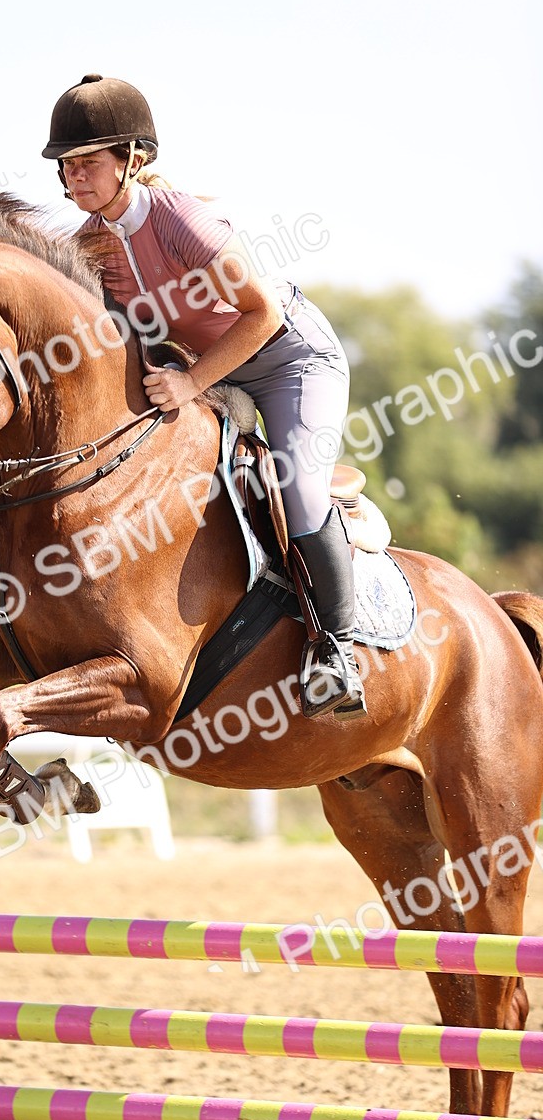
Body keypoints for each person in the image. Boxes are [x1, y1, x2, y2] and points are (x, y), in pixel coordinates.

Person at [42, 73, 365, 720]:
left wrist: (191, 382)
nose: (76, 178)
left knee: (297, 487)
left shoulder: (182, 219)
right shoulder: (91, 245)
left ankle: (340, 650)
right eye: (67, 166)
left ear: (133, 159)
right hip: (217, 369)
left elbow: (262, 313)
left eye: (89, 163)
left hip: (292, 357)